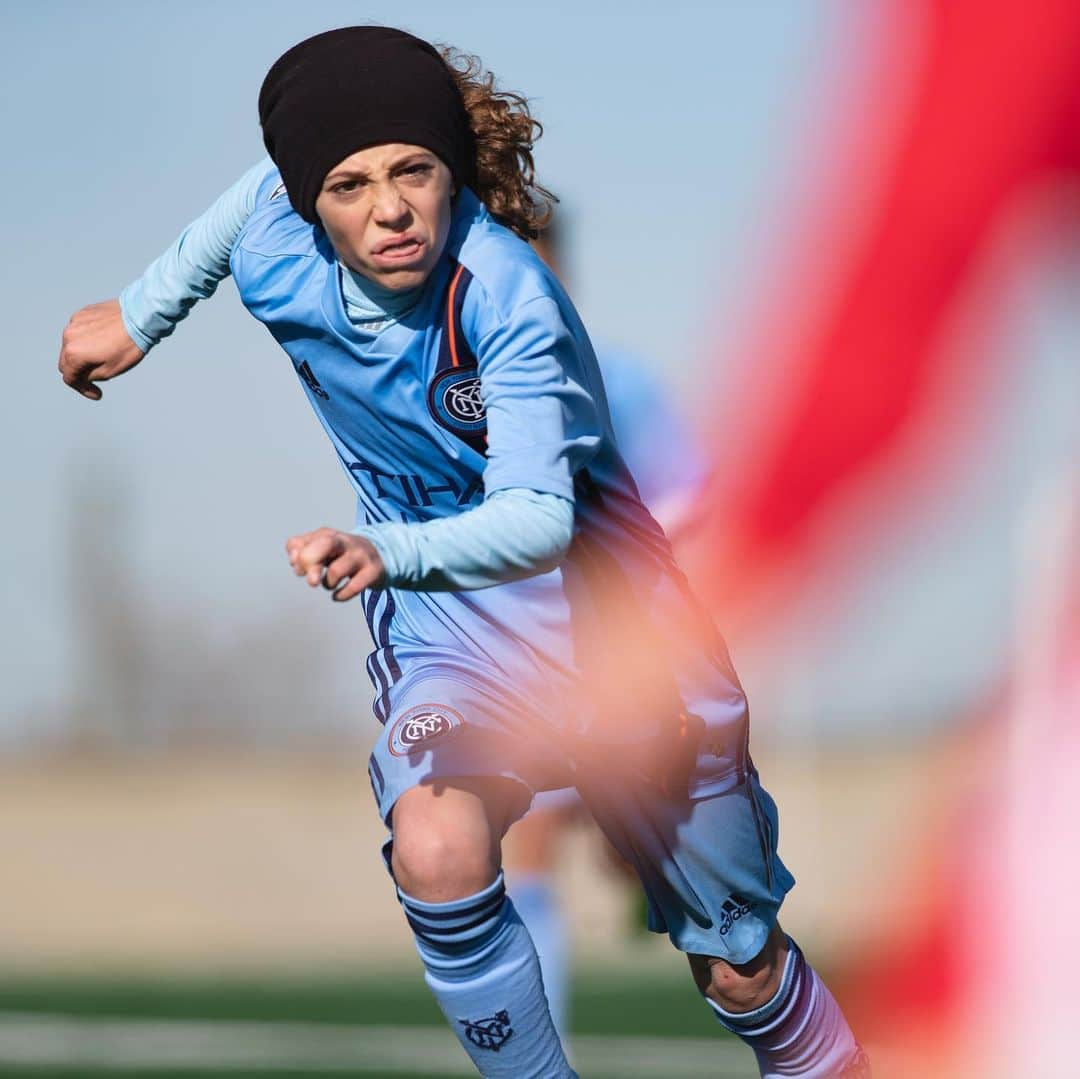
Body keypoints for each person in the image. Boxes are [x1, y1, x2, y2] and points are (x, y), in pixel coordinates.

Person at [58, 27, 869, 1078]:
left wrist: (383, 548)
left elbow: (538, 520)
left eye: (413, 172)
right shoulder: (275, 239)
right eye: (347, 185)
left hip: (623, 640)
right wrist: (141, 311)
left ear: (451, 172)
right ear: (312, 201)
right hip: (460, 637)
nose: (387, 207)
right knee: (438, 848)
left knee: (740, 967)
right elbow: (255, 193)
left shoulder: (508, 297)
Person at [504, 213, 714, 1037]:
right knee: (530, 839)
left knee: (640, 843)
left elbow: (693, 496)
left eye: (535, 275)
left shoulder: (614, 381)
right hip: (526, 657)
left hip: (621, 651)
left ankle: (640, 867)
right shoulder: (459, 393)